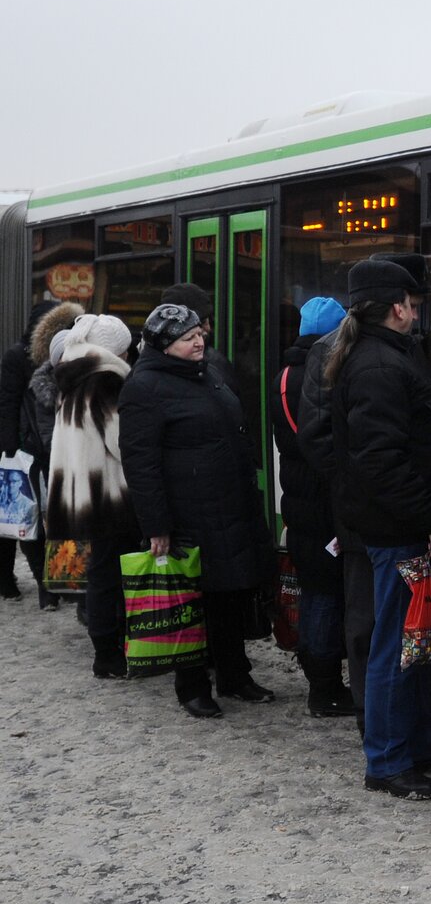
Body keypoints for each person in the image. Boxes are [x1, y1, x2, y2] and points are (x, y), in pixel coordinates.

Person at [326, 259, 431, 801]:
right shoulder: (379, 366)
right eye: (413, 303)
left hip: (397, 524)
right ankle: (388, 761)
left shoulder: (379, 356)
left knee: (416, 642)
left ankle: (421, 742)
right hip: (396, 530)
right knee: (396, 643)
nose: (417, 312)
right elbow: (381, 462)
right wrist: (426, 520)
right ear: (397, 307)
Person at [119, 304, 276, 719]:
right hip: (187, 513)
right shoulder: (143, 387)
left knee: (229, 595)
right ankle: (191, 685)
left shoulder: (209, 372)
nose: (198, 340)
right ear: (165, 345)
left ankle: (234, 674)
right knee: (190, 601)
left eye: (198, 334)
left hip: (228, 506)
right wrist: (156, 525)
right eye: (187, 338)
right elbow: (140, 463)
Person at [271, 295, 356, 717]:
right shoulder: (326, 374)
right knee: (325, 595)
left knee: (317, 590)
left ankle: (320, 679)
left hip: (299, 498)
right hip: (325, 500)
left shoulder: (285, 375)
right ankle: (324, 689)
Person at [44, 314, 140, 677]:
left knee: (101, 572)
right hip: (109, 492)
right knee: (111, 575)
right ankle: (109, 654)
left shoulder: (74, 376)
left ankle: (106, 651)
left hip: (81, 488)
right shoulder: (105, 381)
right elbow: (121, 443)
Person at [16, 301, 86, 610]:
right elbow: (47, 435)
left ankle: (71, 584)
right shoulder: (44, 385)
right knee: (51, 525)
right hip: (52, 465)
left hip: (69, 464)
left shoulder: (84, 381)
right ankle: (53, 588)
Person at [0, 301, 61, 600]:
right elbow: (8, 401)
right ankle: (43, 584)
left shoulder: (64, 354)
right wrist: (9, 449)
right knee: (25, 516)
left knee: (40, 515)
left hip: (52, 444)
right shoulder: (17, 355)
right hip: (26, 448)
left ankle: (51, 581)